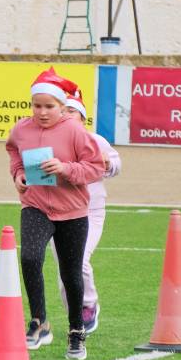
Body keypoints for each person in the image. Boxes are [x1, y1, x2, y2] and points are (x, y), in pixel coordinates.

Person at [5, 68, 104, 360]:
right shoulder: (22, 129)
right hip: (35, 205)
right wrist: (19, 174)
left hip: (72, 211)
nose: (43, 112)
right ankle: (39, 321)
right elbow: (13, 151)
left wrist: (65, 169)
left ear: (62, 106)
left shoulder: (75, 131)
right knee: (30, 257)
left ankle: (76, 331)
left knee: (71, 274)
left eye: (50, 106)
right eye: (37, 105)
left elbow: (95, 167)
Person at [54, 88, 120, 335]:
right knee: (64, 269)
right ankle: (75, 317)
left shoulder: (95, 141)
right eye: (64, 112)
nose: (68, 116)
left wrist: (107, 161)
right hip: (60, 209)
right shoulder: (53, 142)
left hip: (90, 210)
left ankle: (89, 303)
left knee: (78, 259)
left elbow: (116, 165)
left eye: (72, 111)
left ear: (82, 117)